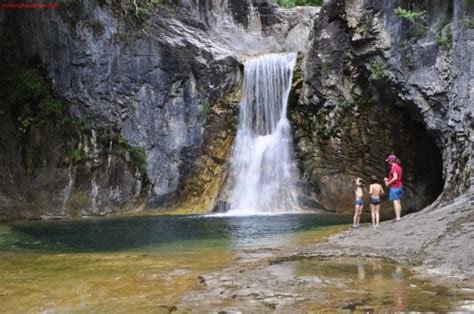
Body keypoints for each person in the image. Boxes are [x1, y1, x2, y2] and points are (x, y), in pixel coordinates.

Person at [384, 155, 403, 222]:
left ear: (391, 161)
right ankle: (399, 217)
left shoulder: (393, 167)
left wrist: (388, 183)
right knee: (398, 201)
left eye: (388, 161)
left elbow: (395, 178)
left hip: (394, 187)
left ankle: (397, 218)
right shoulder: (399, 167)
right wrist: (388, 179)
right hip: (399, 186)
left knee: (395, 202)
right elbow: (396, 177)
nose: (388, 162)